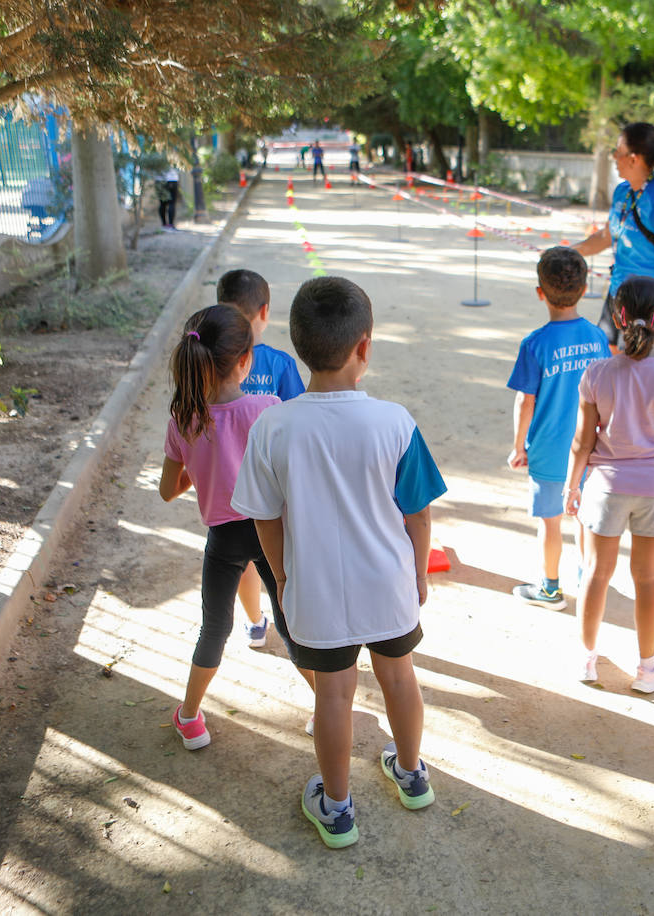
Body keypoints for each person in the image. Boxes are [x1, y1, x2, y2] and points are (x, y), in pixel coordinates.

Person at [231, 276, 446, 849]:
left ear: (297, 346)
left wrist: (281, 576)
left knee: (333, 694)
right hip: (389, 586)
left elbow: (264, 518)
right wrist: (418, 571)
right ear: (365, 347)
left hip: (316, 592)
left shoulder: (273, 425)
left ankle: (338, 808)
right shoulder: (395, 422)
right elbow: (418, 515)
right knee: (399, 677)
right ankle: (411, 774)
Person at [564, 276, 654, 692]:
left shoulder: (597, 373)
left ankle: (586, 659)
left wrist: (572, 486)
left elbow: (582, 442)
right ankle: (647, 668)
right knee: (648, 578)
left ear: (617, 316)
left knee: (595, 574)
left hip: (605, 487)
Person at [159, 305, 282, 752]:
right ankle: (325, 706)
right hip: (271, 533)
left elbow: (168, 491)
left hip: (224, 539)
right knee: (289, 623)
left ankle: (189, 717)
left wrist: (198, 465)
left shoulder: (183, 419)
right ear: (245, 360)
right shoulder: (269, 409)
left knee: (214, 629)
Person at [506, 247, 610, 609]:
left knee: (551, 522)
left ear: (540, 292)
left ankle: (550, 588)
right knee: (583, 515)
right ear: (584, 290)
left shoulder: (534, 344)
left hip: (550, 450)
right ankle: (587, 579)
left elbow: (526, 402)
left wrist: (519, 446)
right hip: (591, 449)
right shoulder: (598, 338)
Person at [216, 268, 306, 651]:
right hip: (274, 487)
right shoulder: (281, 364)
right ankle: (298, 627)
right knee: (278, 559)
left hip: (226, 488)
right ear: (265, 311)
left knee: (241, 561)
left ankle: (255, 622)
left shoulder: (207, 360)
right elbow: (299, 418)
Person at [574, 122, 654, 361]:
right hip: (618, 296)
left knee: (640, 380)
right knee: (606, 368)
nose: (613, 157)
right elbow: (605, 237)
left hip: (649, 306)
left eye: (618, 152)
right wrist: (569, 251)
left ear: (633, 159)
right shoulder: (623, 192)